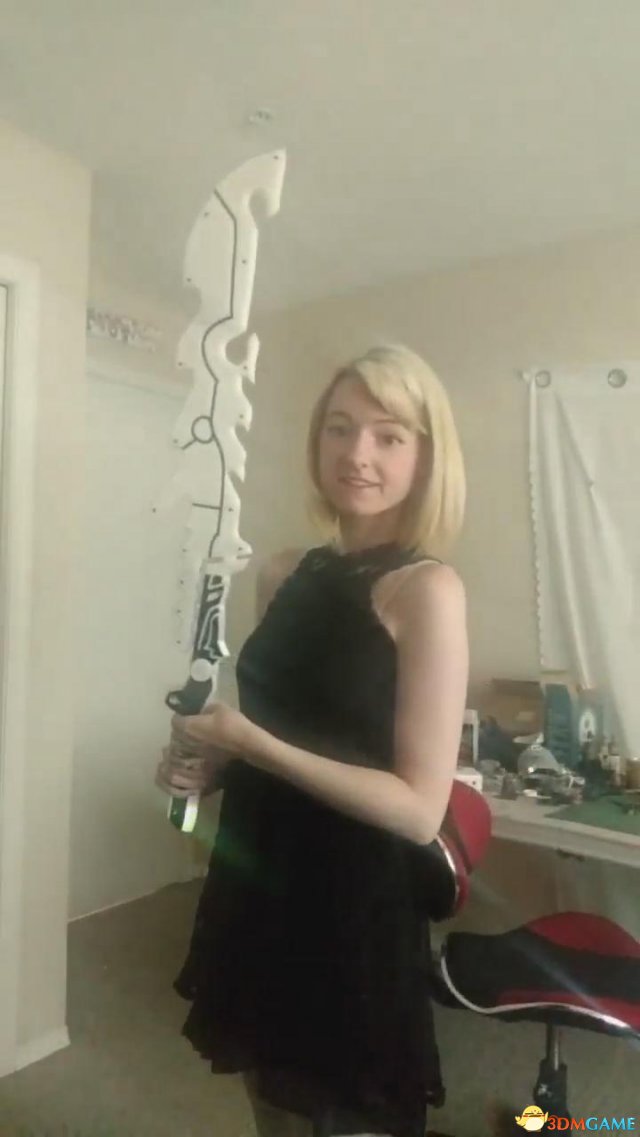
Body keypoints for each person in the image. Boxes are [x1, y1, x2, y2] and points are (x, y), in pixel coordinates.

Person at [156, 344, 469, 1137]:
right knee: (269, 1099)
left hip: (349, 900)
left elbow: (418, 810)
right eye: (339, 427)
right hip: (259, 877)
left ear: (425, 457)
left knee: (341, 1110)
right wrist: (213, 759)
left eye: (388, 435)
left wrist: (251, 742)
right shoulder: (283, 573)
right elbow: (287, 727)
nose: (356, 452)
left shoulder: (426, 590)